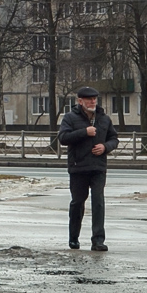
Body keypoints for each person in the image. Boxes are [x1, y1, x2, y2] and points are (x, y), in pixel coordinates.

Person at [58, 85, 119, 251]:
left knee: (98, 202)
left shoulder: (104, 118)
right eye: (89, 99)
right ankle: (73, 238)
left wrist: (106, 147)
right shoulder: (70, 118)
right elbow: (63, 138)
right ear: (80, 101)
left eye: (94, 99)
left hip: (98, 167)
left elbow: (114, 138)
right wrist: (84, 132)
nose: (92, 102)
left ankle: (98, 240)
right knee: (78, 202)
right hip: (79, 167)